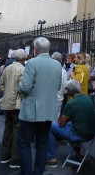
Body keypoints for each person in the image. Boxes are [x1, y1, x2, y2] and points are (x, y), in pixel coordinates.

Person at [17, 37, 62, 175]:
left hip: (31, 109)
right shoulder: (57, 64)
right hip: (48, 110)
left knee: (24, 143)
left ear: (35, 49)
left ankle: (27, 172)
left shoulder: (31, 62)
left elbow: (25, 87)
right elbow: (59, 86)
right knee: (42, 144)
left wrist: (18, 86)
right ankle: (38, 172)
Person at [46, 80, 95, 167]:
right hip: (91, 133)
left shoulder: (71, 103)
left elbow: (61, 124)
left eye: (67, 89)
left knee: (50, 126)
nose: (66, 91)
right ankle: (79, 151)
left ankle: (51, 158)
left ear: (71, 91)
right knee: (71, 123)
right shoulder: (88, 98)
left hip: (79, 135)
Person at [0, 49, 27, 169]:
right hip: (17, 103)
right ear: (24, 59)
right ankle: (14, 159)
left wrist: (7, 94)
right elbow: (22, 88)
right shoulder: (23, 69)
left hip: (7, 102)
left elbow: (2, 84)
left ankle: (5, 156)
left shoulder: (7, 68)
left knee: (8, 129)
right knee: (17, 131)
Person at [51, 51, 68, 117]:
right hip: (58, 97)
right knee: (56, 117)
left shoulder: (47, 69)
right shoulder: (63, 71)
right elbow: (64, 86)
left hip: (47, 97)